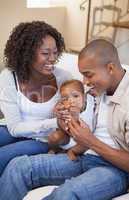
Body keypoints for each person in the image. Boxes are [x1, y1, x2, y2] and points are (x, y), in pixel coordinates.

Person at [0, 38, 129, 200]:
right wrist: (64, 122)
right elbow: (68, 133)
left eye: (88, 75)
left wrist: (90, 141)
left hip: (113, 169)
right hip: (82, 156)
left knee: (66, 194)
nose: (85, 82)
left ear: (110, 68)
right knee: (18, 167)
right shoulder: (93, 91)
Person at [0, 21, 72, 175]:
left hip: (42, 139)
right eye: (45, 53)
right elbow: (14, 128)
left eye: (55, 52)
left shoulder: (64, 78)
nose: (52, 58)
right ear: (26, 54)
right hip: (11, 129)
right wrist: (54, 122)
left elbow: (71, 119)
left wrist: (57, 125)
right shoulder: (9, 76)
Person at [48, 79, 92, 160]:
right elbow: (63, 128)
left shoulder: (90, 109)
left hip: (82, 140)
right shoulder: (64, 110)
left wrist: (76, 116)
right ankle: (54, 149)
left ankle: (72, 151)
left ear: (84, 96)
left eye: (75, 96)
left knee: (87, 143)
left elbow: (86, 132)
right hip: (67, 136)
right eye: (65, 98)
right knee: (53, 137)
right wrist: (61, 119)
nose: (71, 101)